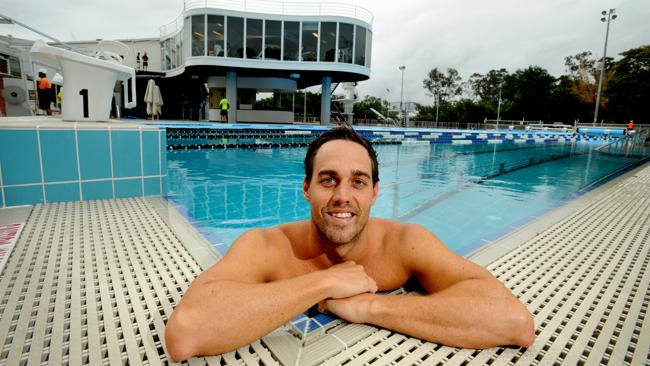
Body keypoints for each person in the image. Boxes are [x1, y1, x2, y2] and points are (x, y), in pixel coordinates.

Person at [164, 127, 536, 362]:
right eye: (328, 180)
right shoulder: (267, 246)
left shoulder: (405, 243)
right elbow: (186, 334)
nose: (343, 196)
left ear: (375, 193)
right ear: (306, 188)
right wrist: (324, 283)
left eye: (358, 182)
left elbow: (514, 322)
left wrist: (371, 307)